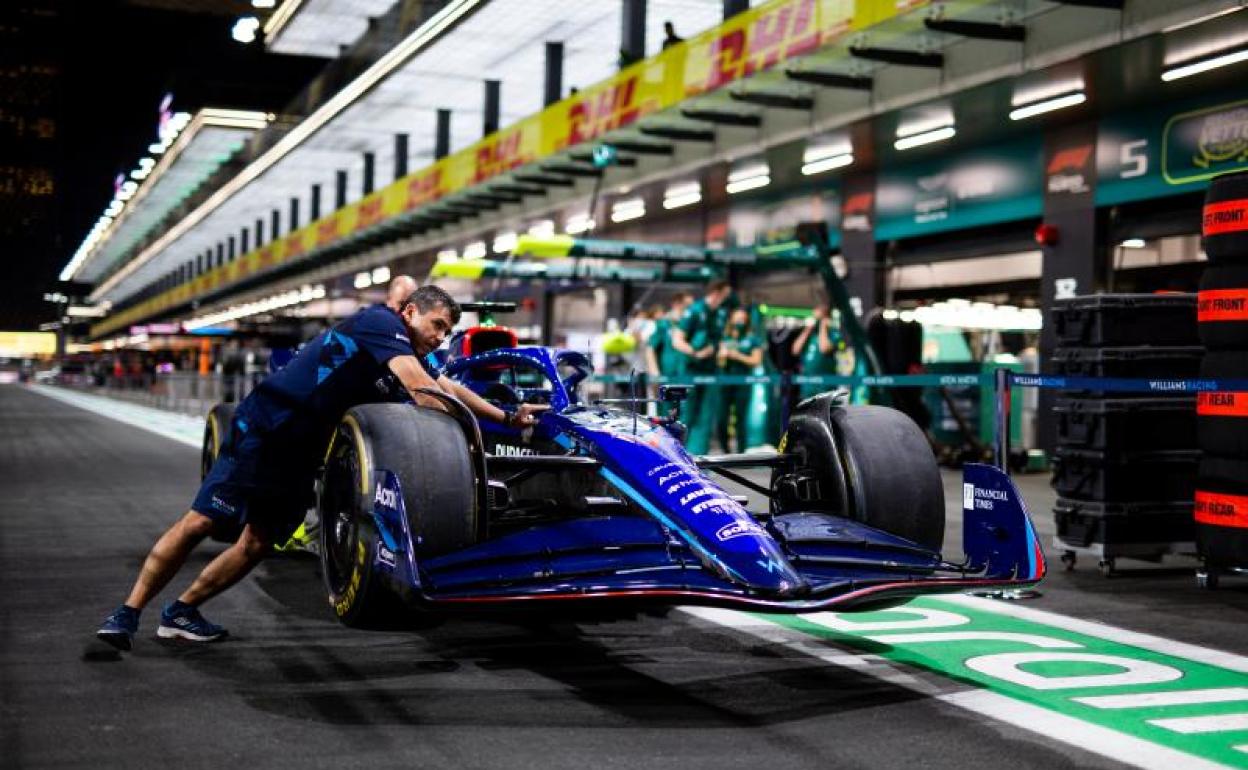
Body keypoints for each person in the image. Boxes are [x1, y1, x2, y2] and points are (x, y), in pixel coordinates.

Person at [95, 285, 547, 651]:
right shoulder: (381, 324)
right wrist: (466, 431)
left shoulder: (411, 349)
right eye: (437, 325)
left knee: (258, 542)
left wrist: (508, 417)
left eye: (447, 331)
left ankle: (180, 613)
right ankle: (126, 614)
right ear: (410, 312)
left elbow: (446, 385)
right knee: (202, 521)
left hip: (302, 454)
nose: (441, 337)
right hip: (265, 432)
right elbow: (423, 390)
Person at [670, 280, 732, 454]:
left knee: (706, 417)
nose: (726, 298)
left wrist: (719, 349)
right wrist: (695, 353)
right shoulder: (694, 311)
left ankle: (699, 457)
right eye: (725, 294)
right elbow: (677, 340)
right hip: (691, 371)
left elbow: (719, 339)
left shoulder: (720, 314)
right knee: (687, 415)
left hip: (711, 371)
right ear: (716, 292)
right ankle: (678, 454)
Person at [716, 306, 765, 454]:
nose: (740, 321)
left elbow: (756, 361)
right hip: (724, 382)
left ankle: (741, 451)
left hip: (743, 382)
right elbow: (718, 361)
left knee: (740, 418)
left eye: (743, 319)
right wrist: (721, 355)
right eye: (738, 318)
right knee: (721, 418)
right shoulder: (724, 337)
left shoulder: (752, 339)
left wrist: (737, 356)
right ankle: (725, 450)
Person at [791, 304, 842, 401]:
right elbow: (795, 350)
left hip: (825, 387)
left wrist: (823, 326)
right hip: (807, 387)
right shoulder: (810, 333)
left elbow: (824, 348)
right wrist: (807, 329)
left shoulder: (833, 333)